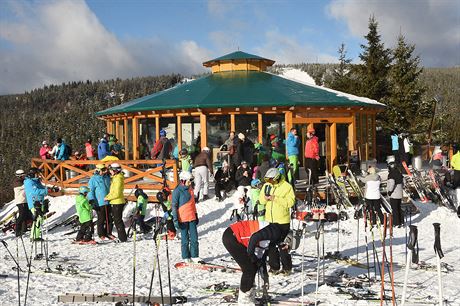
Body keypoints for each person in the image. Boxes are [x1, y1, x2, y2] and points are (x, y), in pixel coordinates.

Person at [222, 220, 287, 305]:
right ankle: (244, 300)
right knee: (249, 269)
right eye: (287, 246)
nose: (286, 248)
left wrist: (259, 261)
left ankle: (249, 295)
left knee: (253, 266)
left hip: (237, 237)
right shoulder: (274, 232)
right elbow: (254, 237)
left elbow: (261, 248)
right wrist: (251, 255)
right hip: (232, 236)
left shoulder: (275, 236)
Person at [258, 168, 295, 274]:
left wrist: (275, 198)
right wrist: (265, 198)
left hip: (282, 221)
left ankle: (287, 267)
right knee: (270, 245)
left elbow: (290, 202)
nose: (269, 183)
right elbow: (261, 200)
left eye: (271, 180)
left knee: (282, 245)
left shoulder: (287, 187)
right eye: (268, 181)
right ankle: (274, 267)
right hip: (270, 220)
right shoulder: (266, 186)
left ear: (277, 178)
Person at [171, 171, 199, 262]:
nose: (190, 183)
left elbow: (192, 203)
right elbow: (174, 206)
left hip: (191, 218)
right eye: (189, 181)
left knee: (194, 238)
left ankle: (194, 256)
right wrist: (175, 220)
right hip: (182, 219)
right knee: (185, 239)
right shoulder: (177, 191)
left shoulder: (190, 188)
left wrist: (195, 214)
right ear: (183, 180)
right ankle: (186, 257)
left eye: (191, 181)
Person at [88, 164, 113, 240]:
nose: (104, 171)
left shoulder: (106, 177)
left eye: (105, 169)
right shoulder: (93, 179)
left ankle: (108, 232)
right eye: (103, 170)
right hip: (100, 202)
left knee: (109, 218)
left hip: (108, 201)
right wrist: (92, 201)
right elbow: (90, 191)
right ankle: (101, 233)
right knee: (101, 219)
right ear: (98, 170)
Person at [23, 167, 48, 240]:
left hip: (40, 202)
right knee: (38, 218)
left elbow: (42, 188)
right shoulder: (29, 182)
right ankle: (33, 236)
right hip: (34, 203)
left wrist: (50, 189)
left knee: (40, 219)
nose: (38, 175)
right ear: (33, 174)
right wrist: (46, 191)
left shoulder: (36, 181)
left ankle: (35, 236)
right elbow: (35, 191)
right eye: (37, 174)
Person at [104, 163, 127, 242]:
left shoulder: (118, 179)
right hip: (114, 201)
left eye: (111, 170)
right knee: (117, 220)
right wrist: (108, 196)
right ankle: (122, 237)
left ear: (115, 170)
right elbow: (112, 191)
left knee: (118, 221)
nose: (110, 172)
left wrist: (108, 198)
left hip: (117, 202)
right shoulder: (115, 177)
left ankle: (122, 238)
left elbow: (117, 193)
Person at [13, 169, 32, 237]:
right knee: (21, 216)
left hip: (24, 201)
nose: (24, 176)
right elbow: (26, 186)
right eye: (23, 175)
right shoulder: (17, 182)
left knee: (26, 215)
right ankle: (17, 230)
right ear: (20, 176)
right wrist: (30, 179)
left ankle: (24, 229)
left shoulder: (22, 181)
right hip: (21, 201)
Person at [386, 156, 404, 226]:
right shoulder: (399, 172)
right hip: (399, 193)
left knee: (395, 209)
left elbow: (392, 183)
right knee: (399, 208)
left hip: (394, 194)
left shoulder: (391, 174)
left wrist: (390, 191)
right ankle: (401, 221)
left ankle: (396, 223)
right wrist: (401, 187)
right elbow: (404, 181)